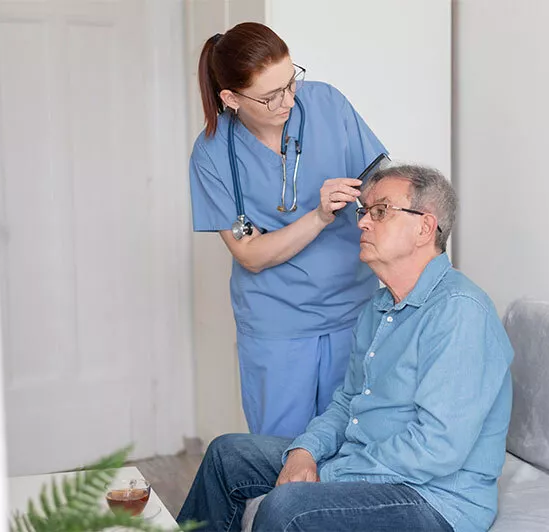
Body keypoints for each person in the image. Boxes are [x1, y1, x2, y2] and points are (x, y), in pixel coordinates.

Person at [178, 164, 514, 532]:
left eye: (381, 211)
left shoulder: (459, 311)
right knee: (227, 455)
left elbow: (437, 448)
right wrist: (305, 452)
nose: (363, 223)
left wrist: (328, 471)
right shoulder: (379, 307)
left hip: (433, 498)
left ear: (424, 227)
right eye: (364, 211)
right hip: (366, 463)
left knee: (287, 506)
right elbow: (347, 404)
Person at [191, 22, 388, 438]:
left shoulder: (327, 104)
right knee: (281, 457)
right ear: (231, 99)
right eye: (270, 96)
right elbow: (250, 254)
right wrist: (318, 215)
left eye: (291, 82)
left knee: (351, 449)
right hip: (277, 327)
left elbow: (381, 183)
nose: (288, 100)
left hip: (354, 310)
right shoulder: (211, 155)